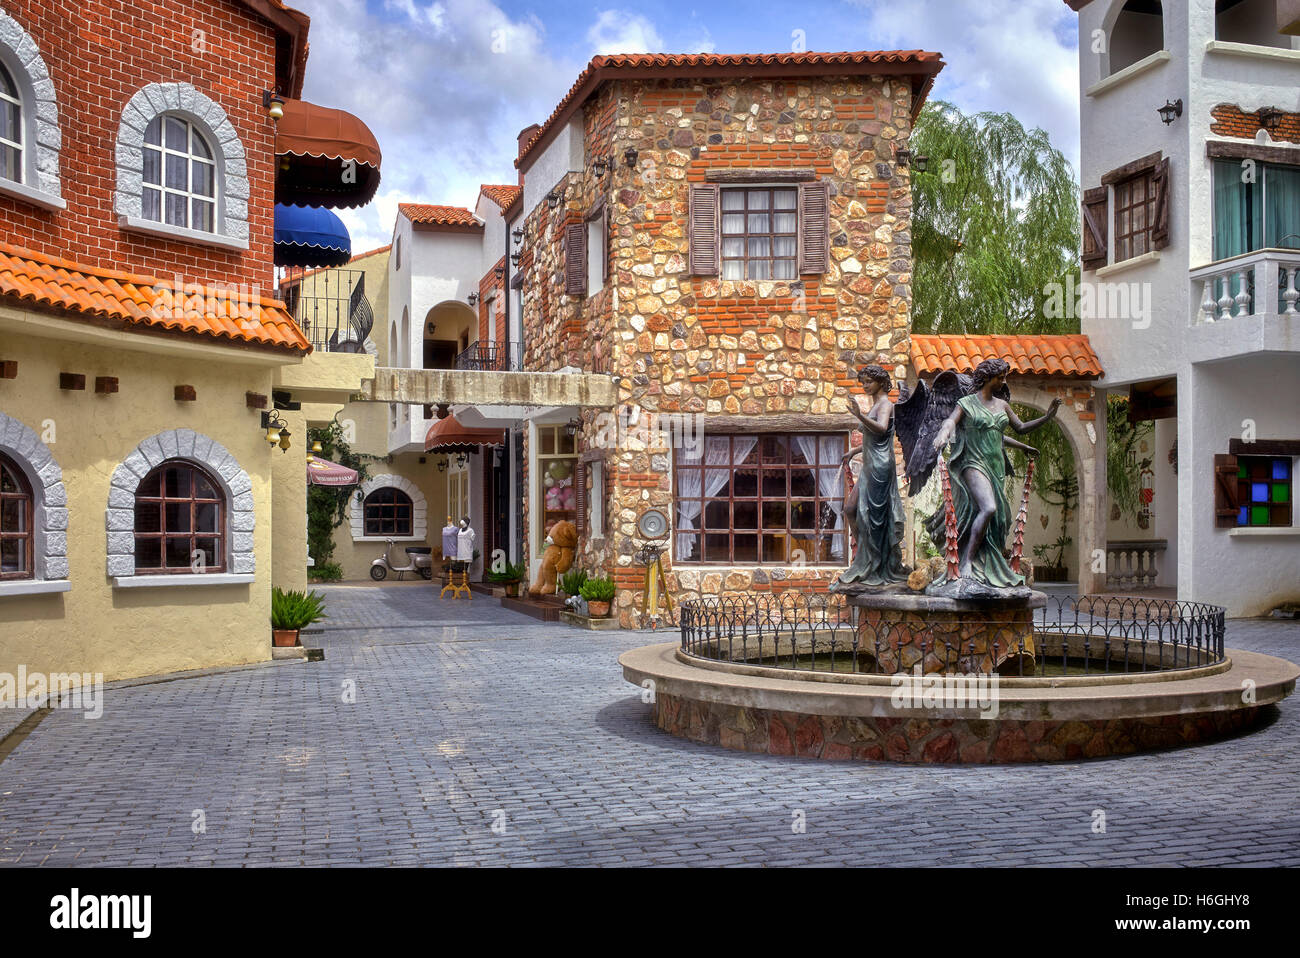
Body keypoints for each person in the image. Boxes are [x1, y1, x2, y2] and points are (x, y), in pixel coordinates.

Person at [930, 358, 1061, 587]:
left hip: (995, 467)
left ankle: (985, 560)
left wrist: (1047, 418)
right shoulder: (966, 403)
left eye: (1004, 377)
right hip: (972, 462)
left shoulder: (1002, 406)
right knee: (988, 508)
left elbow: (1017, 429)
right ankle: (967, 562)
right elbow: (950, 422)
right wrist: (942, 435)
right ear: (987, 378)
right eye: (1000, 377)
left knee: (1000, 518)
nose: (1004, 381)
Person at [836, 364, 908, 587]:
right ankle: (864, 556)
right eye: (863, 382)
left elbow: (881, 428)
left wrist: (859, 415)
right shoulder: (877, 404)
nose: (865, 386)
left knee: (873, 519)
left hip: (879, 467)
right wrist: (854, 451)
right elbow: (874, 438)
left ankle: (876, 564)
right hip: (871, 464)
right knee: (850, 509)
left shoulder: (885, 404)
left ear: (880, 381)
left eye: (868, 382)